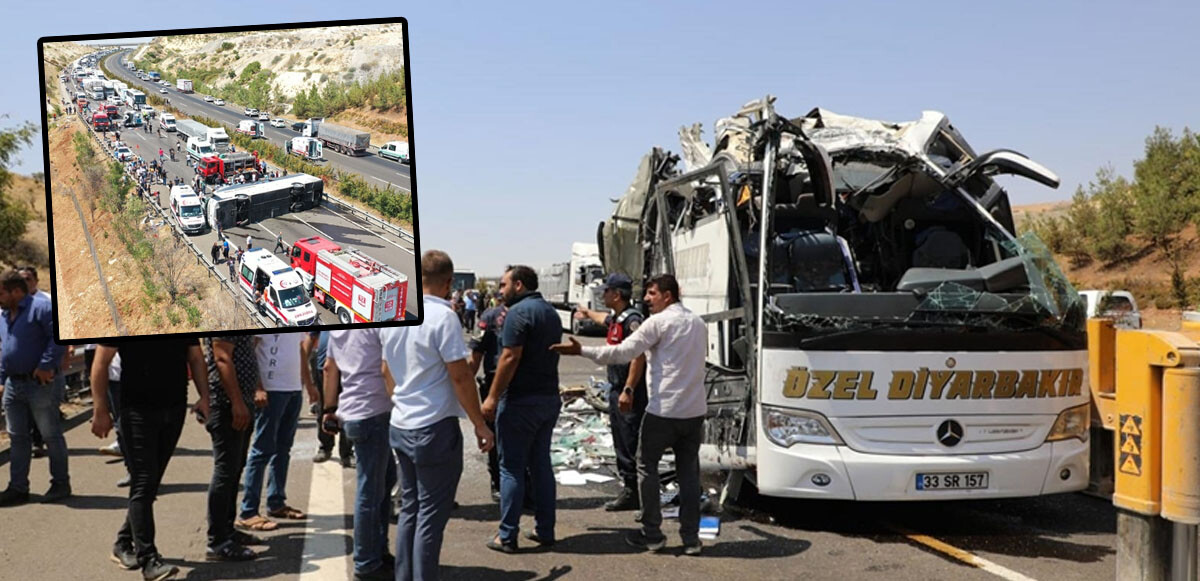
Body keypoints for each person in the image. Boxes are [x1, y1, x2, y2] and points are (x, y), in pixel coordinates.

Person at [551, 274, 707, 555]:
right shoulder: (697, 322)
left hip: (663, 411)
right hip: (694, 412)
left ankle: (652, 534)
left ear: (667, 296)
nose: (646, 299)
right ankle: (691, 538)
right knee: (689, 474)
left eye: (651, 293)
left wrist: (581, 350)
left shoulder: (657, 323)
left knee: (646, 467)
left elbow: (622, 352)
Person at [380, 250, 494, 581]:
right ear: (448, 283)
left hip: (401, 424)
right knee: (429, 515)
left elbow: (386, 369)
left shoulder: (396, 313)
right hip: (433, 428)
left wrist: (401, 401)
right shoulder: (444, 318)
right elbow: (460, 376)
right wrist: (479, 423)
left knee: (410, 511)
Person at [90, 338, 210, 580]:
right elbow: (101, 363)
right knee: (144, 482)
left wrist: (205, 397)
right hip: (137, 411)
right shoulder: (125, 316)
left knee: (149, 483)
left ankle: (123, 542)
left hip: (174, 408)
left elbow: (195, 357)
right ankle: (149, 560)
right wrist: (100, 409)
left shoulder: (181, 314)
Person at [481, 265, 562, 553]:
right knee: (540, 465)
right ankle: (545, 529)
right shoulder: (550, 312)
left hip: (521, 401)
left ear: (518, 285)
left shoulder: (518, 313)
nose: (500, 291)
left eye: (503, 285)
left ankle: (507, 535)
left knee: (511, 468)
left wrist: (491, 396)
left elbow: (509, 357)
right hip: (548, 399)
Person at [321, 330, 397, 580]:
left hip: (354, 411)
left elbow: (329, 367)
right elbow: (388, 368)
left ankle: (376, 550)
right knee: (371, 491)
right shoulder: (378, 324)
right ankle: (366, 562)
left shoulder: (339, 327)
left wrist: (329, 409)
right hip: (374, 411)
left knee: (382, 484)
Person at [575, 273, 647, 511]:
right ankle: (629, 489)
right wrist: (586, 313)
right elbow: (602, 319)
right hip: (616, 388)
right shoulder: (618, 317)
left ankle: (634, 492)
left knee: (628, 441)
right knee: (620, 439)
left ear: (616, 294)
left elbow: (639, 356)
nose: (603, 294)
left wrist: (629, 389)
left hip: (629, 392)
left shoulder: (632, 320)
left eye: (606, 291)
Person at [0, 270, 69, 507]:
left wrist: (46, 365)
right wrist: (1, 379)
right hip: (13, 384)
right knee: (17, 438)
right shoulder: (3, 315)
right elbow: (5, 349)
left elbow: (58, 338)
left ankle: (60, 483)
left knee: (50, 434)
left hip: (39, 384)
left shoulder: (41, 308)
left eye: (2, 293)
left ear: (16, 291)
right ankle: (18, 488)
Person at [236, 334, 316, 533]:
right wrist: (258, 387)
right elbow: (250, 351)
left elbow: (300, 351)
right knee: (261, 451)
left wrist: (308, 384)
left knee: (283, 450)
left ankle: (276, 502)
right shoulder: (265, 314)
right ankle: (248, 512)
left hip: (293, 390)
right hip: (271, 391)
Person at [204, 335, 263, 562]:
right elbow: (222, 358)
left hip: (241, 401)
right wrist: (237, 402)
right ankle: (218, 541)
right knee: (226, 470)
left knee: (235, 468)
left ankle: (228, 530)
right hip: (227, 404)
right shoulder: (224, 317)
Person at [468, 302, 507, 501]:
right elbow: (476, 355)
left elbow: (475, 357)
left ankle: (506, 483)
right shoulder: (490, 316)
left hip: (511, 384)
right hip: (495, 384)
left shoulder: (522, 314)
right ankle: (499, 482)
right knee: (495, 435)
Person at [302, 332, 352, 465]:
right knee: (323, 409)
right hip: (322, 368)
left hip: (349, 368)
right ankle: (325, 447)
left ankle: (346, 452)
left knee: (348, 410)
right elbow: (310, 338)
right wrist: (302, 369)